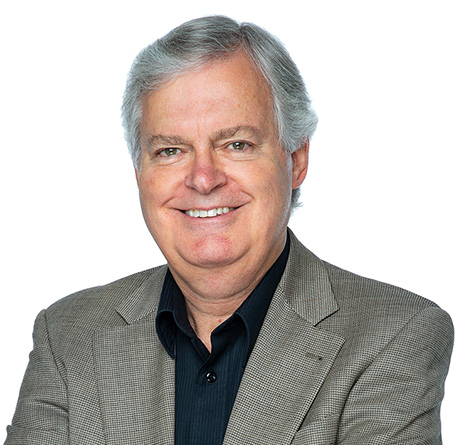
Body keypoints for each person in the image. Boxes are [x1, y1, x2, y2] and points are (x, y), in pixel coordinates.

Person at [5, 15, 453, 445]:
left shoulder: (394, 335)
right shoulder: (68, 336)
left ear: (296, 159)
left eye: (236, 144)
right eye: (170, 150)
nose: (203, 179)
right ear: (139, 172)